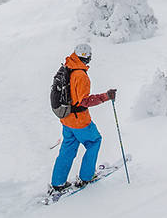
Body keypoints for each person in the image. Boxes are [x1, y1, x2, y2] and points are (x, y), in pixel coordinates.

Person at [50, 43, 117, 192]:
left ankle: (58, 182)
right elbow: (84, 101)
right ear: (87, 57)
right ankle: (86, 177)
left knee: (67, 148)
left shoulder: (67, 66)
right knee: (94, 141)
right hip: (79, 121)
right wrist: (106, 96)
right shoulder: (80, 75)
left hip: (66, 118)